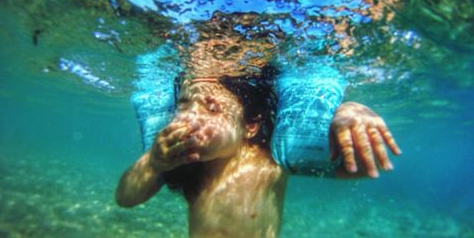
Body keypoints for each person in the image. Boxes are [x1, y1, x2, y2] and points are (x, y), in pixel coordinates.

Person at [115, 56, 402, 237]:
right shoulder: (182, 162)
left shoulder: (269, 160)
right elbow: (125, 198)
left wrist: (348, 113)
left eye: (212, 109)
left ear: (250, 126)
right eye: (184, 105)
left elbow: (361, 167)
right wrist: (154, 162)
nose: (191, 119)